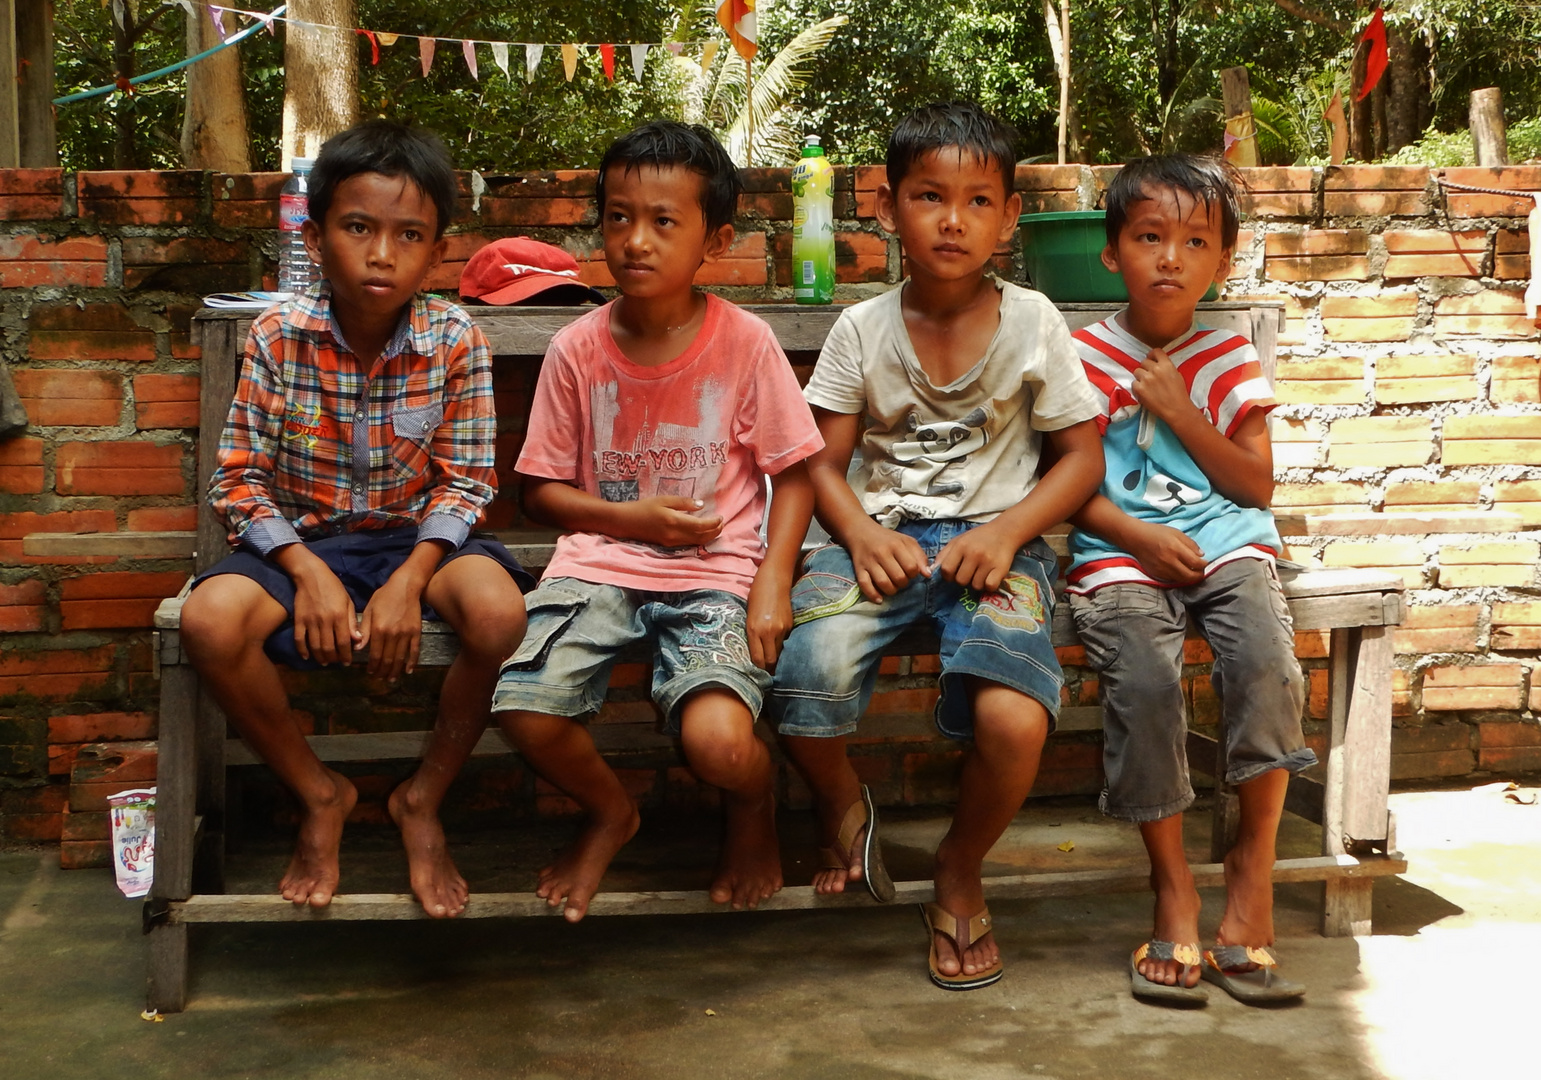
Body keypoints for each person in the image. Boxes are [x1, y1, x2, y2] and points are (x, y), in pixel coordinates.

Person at [770, 102, 1105, 991]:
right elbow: (817, 463)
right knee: (802, 673)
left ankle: (960, 864)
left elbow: (1080, 461)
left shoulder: (1034, 322)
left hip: (998, 547)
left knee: (1014, 716)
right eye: (928, 197)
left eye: (976, 201)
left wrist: (1007, 532)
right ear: (886, 209)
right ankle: (842, 802)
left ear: (1007, 219)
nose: (951, 220)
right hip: (876, 544)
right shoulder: (860, 329)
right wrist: (859, 531)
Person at [181, 119, 532, 919]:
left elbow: (467, 483)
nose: (382, 254)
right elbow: (238, 481)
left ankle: (422, 800)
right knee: (208, 622)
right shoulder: (279, 335)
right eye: (358, 228)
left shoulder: (453, 338)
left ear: (437, 250)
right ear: (315, 236)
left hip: (422, 539)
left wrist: (409, 582)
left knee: (497, 611)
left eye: (409, 235)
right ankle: (321, 793)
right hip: (299, 542)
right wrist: (305, 571)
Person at [492, 121, 823, 922]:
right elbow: (538, 493)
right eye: (616, 217)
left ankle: (751, 808)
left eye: (663, 221)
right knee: (524, 710)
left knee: (718, 745)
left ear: (716, 240)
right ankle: (612, 811)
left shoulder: (744, 343)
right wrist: (631, 518)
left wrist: (772, 583)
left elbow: (798, 474)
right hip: (596, 568)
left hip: (715, 578)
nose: (634, 240)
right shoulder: (577, 348)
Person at [1065, 153, 1313, 1004]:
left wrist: (1178, 409)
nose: (1169, 257)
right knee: (1143, 680)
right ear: (1111, 252)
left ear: (1221, 259)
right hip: (1118, 550)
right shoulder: (1082, 357)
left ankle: (1252, 867)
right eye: (1148, 237)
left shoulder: (1227, 354)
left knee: (1267, 668)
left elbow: (1253, 485)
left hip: (1229, 542)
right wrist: (1139, 537)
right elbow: (1064, 488)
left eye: (1194, 241)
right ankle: (1172, 884)